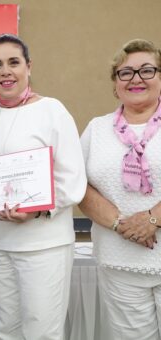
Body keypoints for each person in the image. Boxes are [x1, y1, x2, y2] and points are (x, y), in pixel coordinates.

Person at [0, 34, 87, 340]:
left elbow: (73, 178)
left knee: (42, 332)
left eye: (14, 62)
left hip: (44, 245)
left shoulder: (52, 110)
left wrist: (36, 210)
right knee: (4, 330)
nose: (5, 71)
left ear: (28, 66)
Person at [79, 39, 161, 340]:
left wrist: (152, 218)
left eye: (147, 70)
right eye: (125, 73)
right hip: (119, 262)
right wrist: (120, 223)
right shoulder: (96, 129)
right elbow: (77, 184)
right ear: (115, 84)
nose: (136, 78)